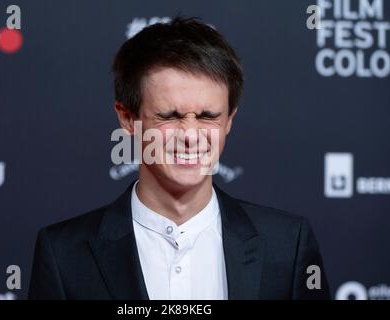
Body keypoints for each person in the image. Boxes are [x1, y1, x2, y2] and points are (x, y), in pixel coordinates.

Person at [28, 17, 330, 300]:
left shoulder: (288, 246)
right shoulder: (64, 254)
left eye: (207, 116)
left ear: (229, 121)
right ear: (127, 118)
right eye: (169, 116)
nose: (190, 135)